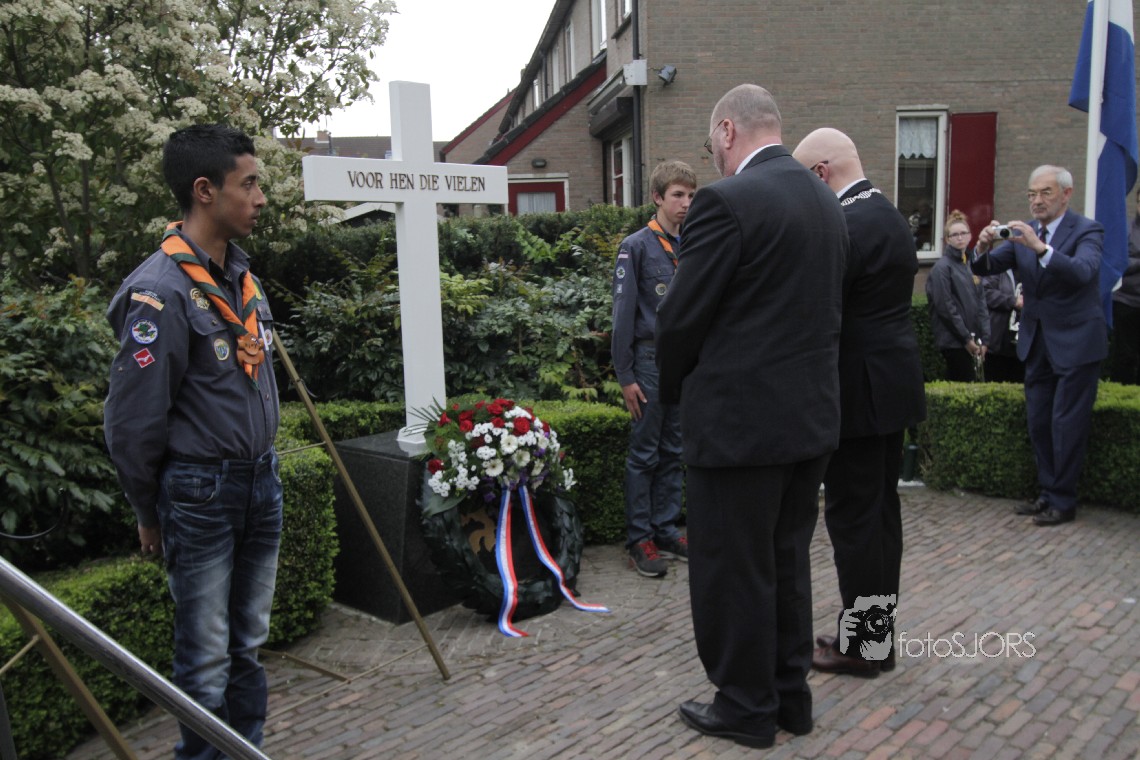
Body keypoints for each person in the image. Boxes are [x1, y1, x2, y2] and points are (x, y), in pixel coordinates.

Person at [656, 85, 847, 748]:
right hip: (810, 422)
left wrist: (674, 391)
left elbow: (679, 319)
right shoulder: (826, 199)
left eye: (711, 140)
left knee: (734, 570)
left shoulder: (726, 202)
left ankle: (744, 706)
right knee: (787, 562)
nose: (712, 153)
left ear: (728, 130)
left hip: (739, 428)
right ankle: (790, 698)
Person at [104, 124, 281, 759]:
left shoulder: (241, 278)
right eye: (249, 184)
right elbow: (132, 423)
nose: (260, 197)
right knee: (206, 662)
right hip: (201, 491)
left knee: (247, 646)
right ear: (205, 191)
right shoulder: (161, 292)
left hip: (261, 479)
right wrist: (148, 510)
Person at [791, 128, 926, 678]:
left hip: (857, 393)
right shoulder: (888, 215)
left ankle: (864, 648)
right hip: (891, 386)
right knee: (880, 516)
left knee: (855, 520)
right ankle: (873, 638)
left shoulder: (844, 224)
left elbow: (817, 309)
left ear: (821, 173)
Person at [971, 165, 1106, 527]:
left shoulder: (1087, 230)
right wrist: (982, 246)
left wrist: (1040, 248)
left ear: (1066, 193)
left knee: (1067, 424)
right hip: (1037, 342)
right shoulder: (1023, 235)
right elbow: (984, 268)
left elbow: (1083, 271)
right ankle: (1047, 493)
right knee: (1039, 422)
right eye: (1032, 194)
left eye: (1046, 192)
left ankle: (1064, 500)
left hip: (1077, 343)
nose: (1037, 201)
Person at [611, 160, 697, 578]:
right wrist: (625, 376)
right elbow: (623, 316)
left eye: (691, 195)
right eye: (678, 195)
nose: (686, 203)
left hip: (682, 363)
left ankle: (666, 529)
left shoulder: (694, 243)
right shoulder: (637, 247)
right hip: (648, 362)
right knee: (644, 453)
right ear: (657, 198)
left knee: (674, 451)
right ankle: (639, 538)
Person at [926, 211, 989, 381]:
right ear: (947, 239)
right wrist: (966, 339)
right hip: (954, 343)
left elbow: (981, 303)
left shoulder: (970, 266)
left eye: (963, 233)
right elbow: (945, 307)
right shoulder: (942, 269)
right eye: (955, 235)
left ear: (970, 236)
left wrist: (985, 340)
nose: (960, 238)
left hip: (975, 341)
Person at [1108, 189, 1140, 384]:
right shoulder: (1125, 229)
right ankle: (1121, 396)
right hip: (1126, 303)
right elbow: (1117, 261)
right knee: (1124, 356)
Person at [982, 268, 1025, 383]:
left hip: (1022, 346)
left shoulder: (1029, 269)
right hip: (998, 344)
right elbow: (985, 292)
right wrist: (1012, 301)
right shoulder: (998, 269)